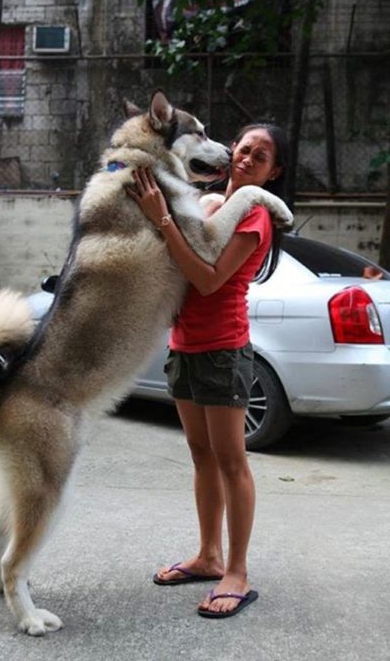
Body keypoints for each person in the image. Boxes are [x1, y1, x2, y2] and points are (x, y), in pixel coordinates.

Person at [126, 123, 289, 620]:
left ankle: (236, 570)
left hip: (222, 349)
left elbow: (209, 279)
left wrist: (163, 223)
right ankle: (208, 554)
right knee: (201, 456)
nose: (247, 158)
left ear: (272, 171)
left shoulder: (255, 213)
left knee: (231, 461)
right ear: (230, 150)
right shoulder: (209, 201)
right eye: (244, 148)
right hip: (185, 346)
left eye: (260, 156)